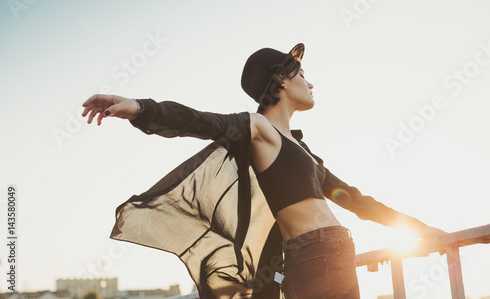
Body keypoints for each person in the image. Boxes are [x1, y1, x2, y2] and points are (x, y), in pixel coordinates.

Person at [82, 43, 444, 299]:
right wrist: (141, 108)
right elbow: (199, 121)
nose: (311, 83)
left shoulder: (302, 150)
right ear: (283, 80)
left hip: (334, 251)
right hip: (317, 255)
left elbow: (358, 201)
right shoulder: (260, 129)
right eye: (303, 73)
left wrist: (419, 230)